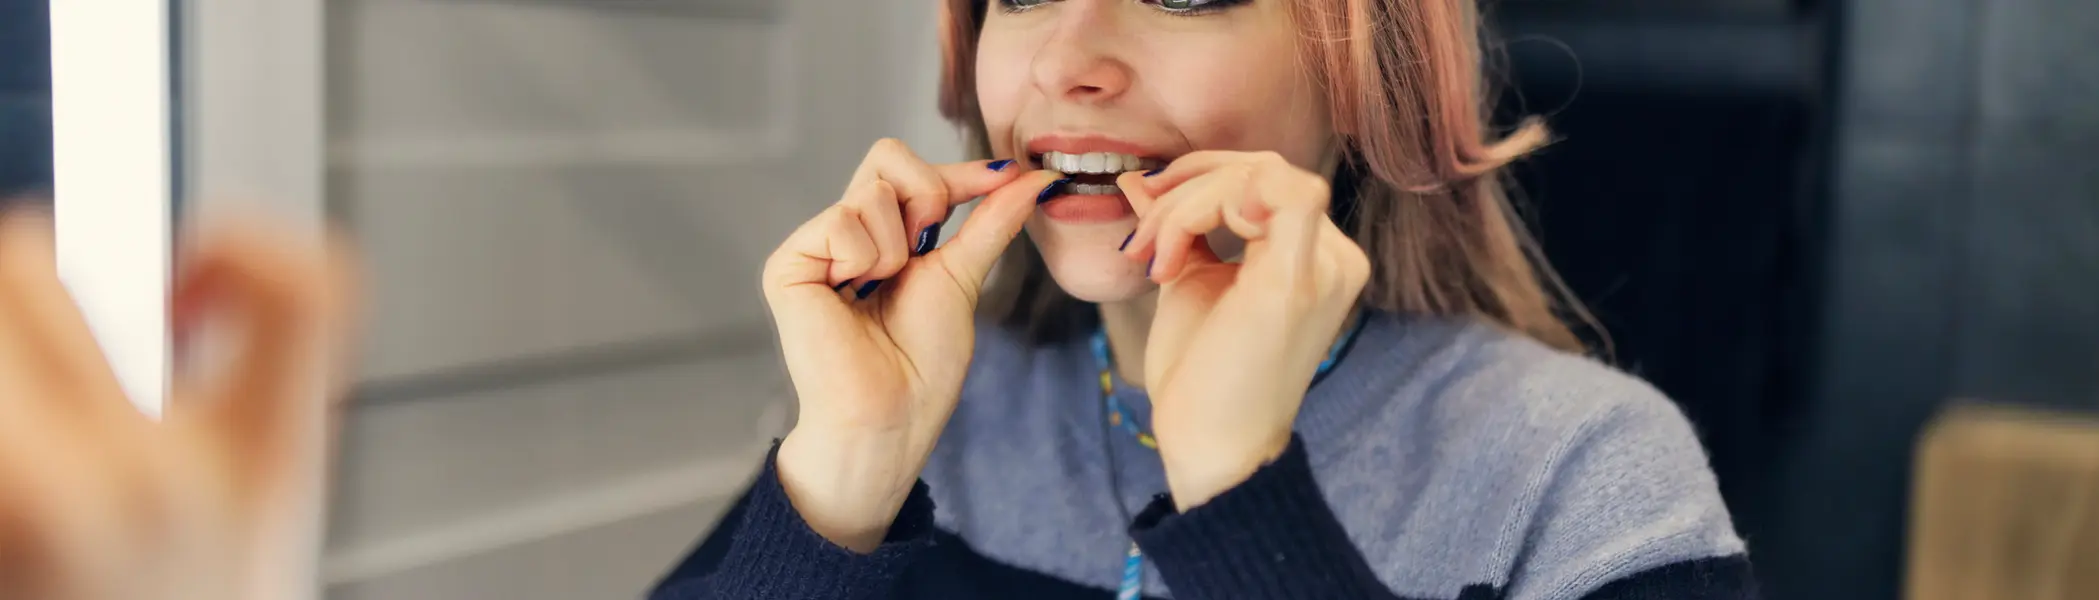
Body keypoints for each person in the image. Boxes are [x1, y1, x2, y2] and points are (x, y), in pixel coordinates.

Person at [652, 0, 1754, 599]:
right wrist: (838, 486)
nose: (1067, 62)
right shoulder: (928, 413)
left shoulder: (1582, 472)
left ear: (1365, 66)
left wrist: (1241, 496)